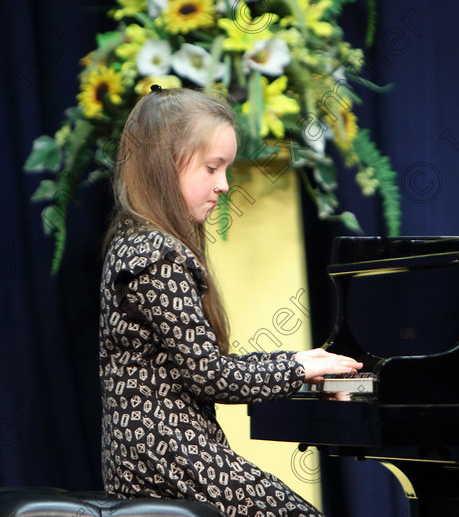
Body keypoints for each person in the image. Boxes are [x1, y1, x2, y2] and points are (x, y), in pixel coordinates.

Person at [99, 85, 363, 517]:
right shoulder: (155, 254)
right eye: (211, 168)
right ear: (163, 166)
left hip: (159, 451)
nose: (224, 185)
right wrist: (298, 368)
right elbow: (212, 378)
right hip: (164, 454)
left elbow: (201, 367)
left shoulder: (139, 241)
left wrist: (302, 363)